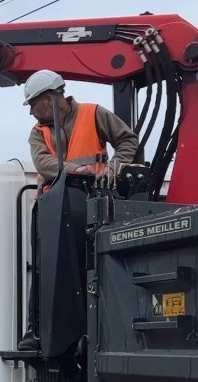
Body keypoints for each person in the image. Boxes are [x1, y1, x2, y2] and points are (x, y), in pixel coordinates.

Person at [19, 69, 140, 351]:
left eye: (32, 105)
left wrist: (113, 168)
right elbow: (44, 165)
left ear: (48, 99)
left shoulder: (93, 114)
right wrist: (77, 171)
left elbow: (127, 141)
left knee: (94, 268)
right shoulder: (38, 133)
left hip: (94, 204)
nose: (31, 113)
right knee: (44, 269)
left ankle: (96, 327)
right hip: (52, 207)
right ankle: (36, 331)